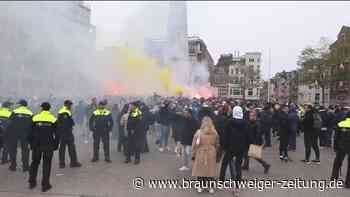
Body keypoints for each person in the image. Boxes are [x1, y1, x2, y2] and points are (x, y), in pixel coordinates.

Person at [28, 102, 59, 192]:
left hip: (37, 145)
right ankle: (45, 185)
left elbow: (29, 133)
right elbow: (57, 134)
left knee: (34, 163)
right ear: (49, 108)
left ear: (41, 108)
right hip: (48, 145)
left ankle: (32, 183)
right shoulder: (53, 119)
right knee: (47, 164)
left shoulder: (35, 118)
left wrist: (31, 144)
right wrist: (55, 145)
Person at [220, 106, 249, 182]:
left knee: (224, 163)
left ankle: (221, 179)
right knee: (238, 164)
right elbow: (248, 136)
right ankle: (238, 180)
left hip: (230, 147)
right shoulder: (245, 123)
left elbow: (225, 135)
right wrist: (246, 146)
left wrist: (224, 146)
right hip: (241, 147)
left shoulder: (229, 122)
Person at [192, 116, 219, 194]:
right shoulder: (215, 132)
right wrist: (215, 151)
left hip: (201, 152)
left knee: (200, 170)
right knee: (210, 170)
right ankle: (210, 187)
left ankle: (200, 186)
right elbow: (217, 144)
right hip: (211, 152)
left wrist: (193, 153)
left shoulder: (199, 132)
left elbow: (195, 144)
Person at [7, 99, 33, 172]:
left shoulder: (14, 112)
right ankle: (25, 167)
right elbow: (32, 125)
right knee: (25, 150)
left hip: (14, 133)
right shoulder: (30, 113)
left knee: (13, 149)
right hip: (25, 133)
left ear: (20, 104)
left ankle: (13, 166)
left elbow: (9, 123)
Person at [242, 109, 271, 173]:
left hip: (253, 142)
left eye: (252, 116)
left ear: (255, 116)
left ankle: (266, 165)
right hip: (249, 141)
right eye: (250, 116)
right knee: (246, 154)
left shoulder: (257, 124)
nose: (250, 117)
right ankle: (245, 165)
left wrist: (256, 143)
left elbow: (258, 134)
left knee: (255, 156)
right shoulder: (251, 122)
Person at [57, 100, 82, 168]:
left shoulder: (63, 111)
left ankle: (62, 163)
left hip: (63, 133)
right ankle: (72, 162)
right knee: (70, 148)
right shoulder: (65, 112)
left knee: (63, 148)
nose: (71, 106)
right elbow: (65, 124)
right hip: (66, 133)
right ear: (66, 105)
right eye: (70, 105)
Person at [331, 111, 350, 189]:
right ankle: (348, 183)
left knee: (337, 163)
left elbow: (336, 136)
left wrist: (335, 147)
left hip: (341, 146)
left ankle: (334, 180)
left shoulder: (342, 123)